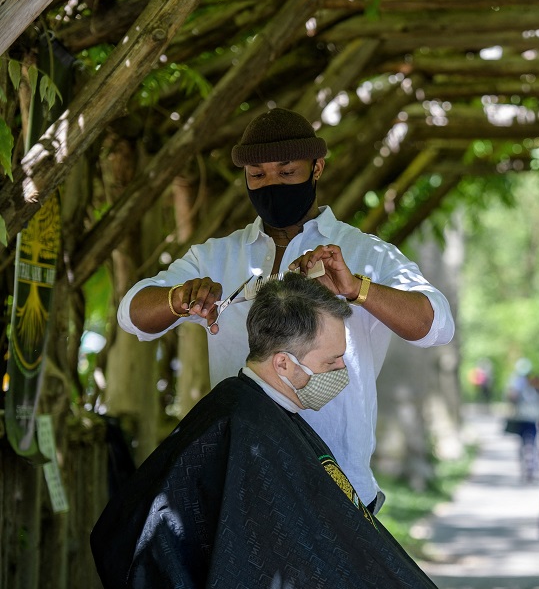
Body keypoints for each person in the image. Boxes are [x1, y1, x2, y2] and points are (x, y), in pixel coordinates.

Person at [92, 273, 508, 589]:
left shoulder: (263, 417)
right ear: (285, 365)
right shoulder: (242, 431)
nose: (342, 372)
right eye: (331, 363)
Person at [116, 107, 455, 513]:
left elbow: (436, 323)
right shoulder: (217, 257)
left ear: (317, 168)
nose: (271, 184)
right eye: (257, 176)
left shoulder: (365, 254)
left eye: (286, 172)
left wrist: (357, 289)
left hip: (338, 485)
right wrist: (177, 298)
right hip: (240, 482)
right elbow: (131, 313)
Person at [504, 357, 539, 481]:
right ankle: (528, 466)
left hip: (531, 417)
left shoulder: (534, 381)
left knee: (529, 442)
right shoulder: (517, 382)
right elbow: (511, 397)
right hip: (524, 417)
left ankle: (530, 465)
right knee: (527, 442)